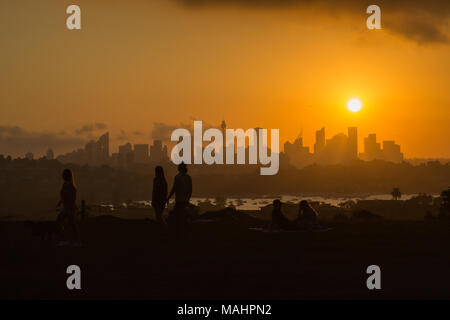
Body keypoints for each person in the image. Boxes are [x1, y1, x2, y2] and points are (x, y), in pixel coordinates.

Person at [167, 162, 192, 240]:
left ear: (179, 169)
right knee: (184, 218)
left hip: (179, 201)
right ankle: (185, 234)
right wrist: (187, 198)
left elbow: (174, 188)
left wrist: (168, 197)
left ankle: (179, 235)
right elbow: (190, 190)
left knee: (177, 218)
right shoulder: (188, 177)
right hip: (185, 201)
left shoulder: (177, 177)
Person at [56, 168, 81, 246]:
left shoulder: (70, 186)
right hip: (66, 208)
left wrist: (68, 206)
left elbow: (72, 198)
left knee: (72, 225)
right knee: (61, 222)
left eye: (64, 175)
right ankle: (67, 240)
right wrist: (60, 203)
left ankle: (75, 241)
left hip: (70, 208)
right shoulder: (65, 185)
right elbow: (64, 196)